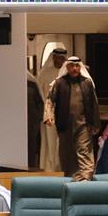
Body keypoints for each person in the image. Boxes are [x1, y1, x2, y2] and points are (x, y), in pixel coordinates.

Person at [49, 56, 100, 181]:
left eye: (77, 66)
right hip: (65, 124)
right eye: (72, 66)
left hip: (83, 124)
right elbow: (50, 100)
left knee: (84, 150)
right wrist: (49, 116)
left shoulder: (87, 83)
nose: (74, 69)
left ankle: (86, 179)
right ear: (67, 67)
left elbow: (94, 104)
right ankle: (70, 179)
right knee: (68, 153)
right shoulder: (59, 83)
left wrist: (96, 123)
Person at [37, 43, 67, 172]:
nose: (58, 60)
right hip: (48, 115)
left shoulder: (66, 74)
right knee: (50, 142)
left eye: (61, 58)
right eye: (56, 57)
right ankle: (49, 168)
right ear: (53, 58)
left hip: (65, 115)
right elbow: (39, 94)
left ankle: (62, 167)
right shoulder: (44, 74)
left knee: (63, 143)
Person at [27, 70, 44, 168]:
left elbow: (40, 102)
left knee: (31, 145)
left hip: (32, 122)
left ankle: (31, 167)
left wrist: (38, 118)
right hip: (16, 124)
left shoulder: (32, 85)